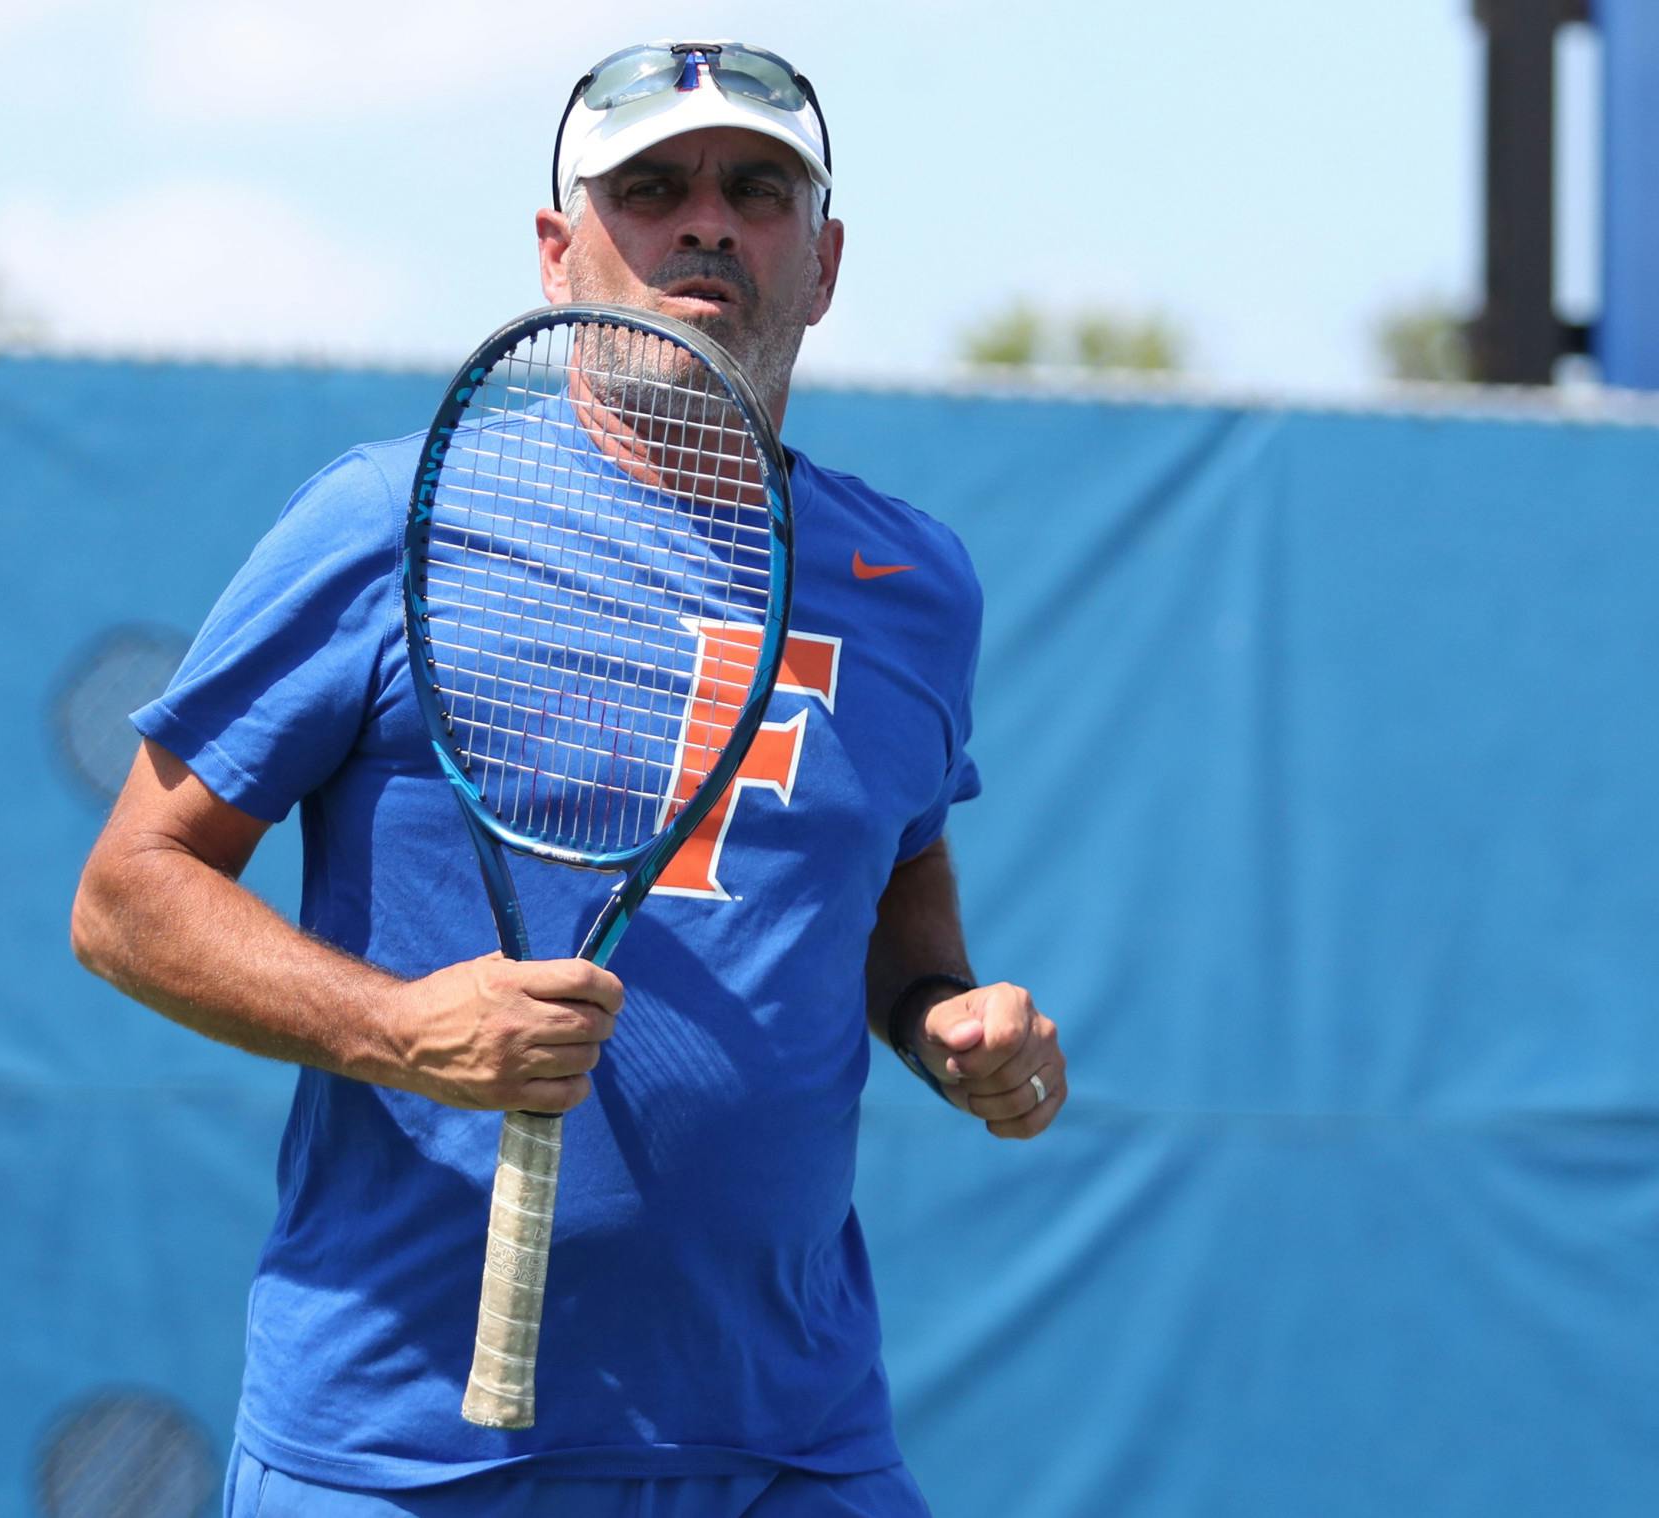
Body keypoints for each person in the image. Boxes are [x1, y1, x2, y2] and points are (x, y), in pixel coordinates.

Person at [72, 38, 1067, 1518]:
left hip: (794, 1445)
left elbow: (900, 929)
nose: (707, 223)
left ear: (825, 259)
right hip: (407, 1452)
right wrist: (406, 1027)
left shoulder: (915, 583)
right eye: (650, 189)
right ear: (561, 250)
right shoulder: (384, 524)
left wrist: (960, 1031)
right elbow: (127, 896)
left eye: (757, 190)